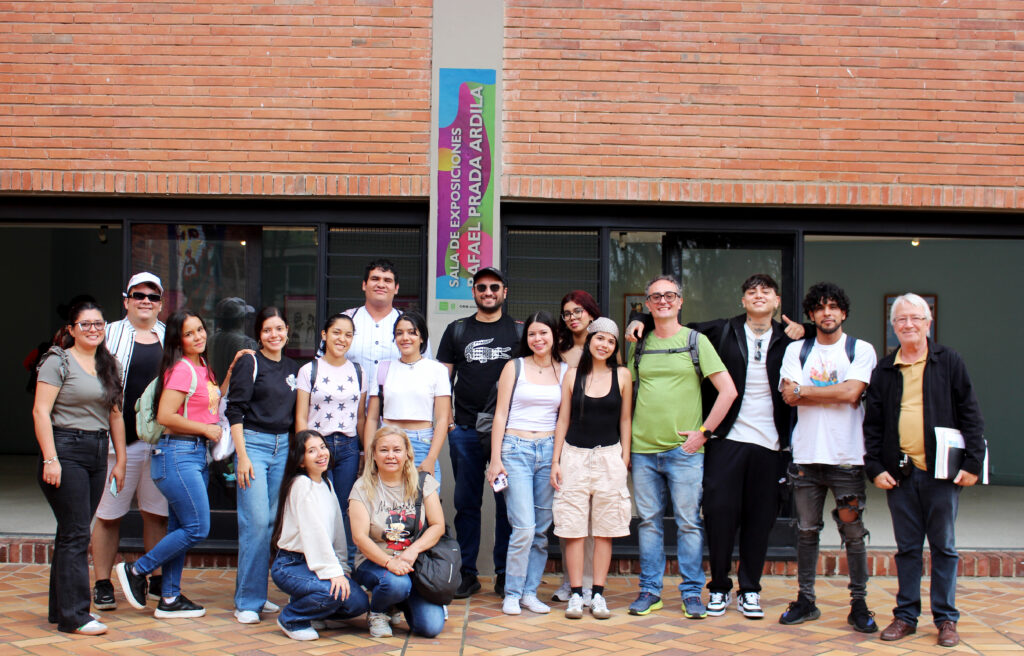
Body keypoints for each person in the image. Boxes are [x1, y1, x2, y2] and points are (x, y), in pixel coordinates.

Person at [627, 274, 807, 619]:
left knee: (754, 520)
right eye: (751, 291)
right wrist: (639, 319)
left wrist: (807, 328)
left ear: (778, 300)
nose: (758, 296)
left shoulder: (791, 337)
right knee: (713, 517)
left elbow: (826, 335)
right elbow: (666, 324)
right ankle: (714, 587)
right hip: (718, 441)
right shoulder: (720, 331)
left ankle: (744, 590)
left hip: (768, 443)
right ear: (742, 300)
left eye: (765, 291)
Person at [864, 294, 985, 648]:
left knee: (944, 548)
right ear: (893, 326)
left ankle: (946, 619)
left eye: (915, 318)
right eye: (900, 319)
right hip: (900, 475)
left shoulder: (949, 362)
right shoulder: (885, 370)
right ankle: (905, 616)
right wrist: (874, 468)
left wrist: (973, 462)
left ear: (928, 322)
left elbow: (971, 414)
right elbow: (872, 426)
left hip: (941, 474)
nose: (908, 325)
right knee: (907, 549)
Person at [626, 274, 737, 619]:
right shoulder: (638, 344)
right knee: (648, 522)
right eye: (656, 297)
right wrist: (625, 442)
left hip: (684, 451)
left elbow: (728, 391)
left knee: (689, 523)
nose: (663, 301)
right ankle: (650, 591)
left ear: (680, 301)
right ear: (647, 304)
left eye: (669, 295)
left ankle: (691, 593)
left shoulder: (696, 341)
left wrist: (704, 432)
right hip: (642, 450)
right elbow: (628, 392)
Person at [778, 282, 879, 633]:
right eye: (820, 308)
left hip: (847, 459)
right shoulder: (797, 350)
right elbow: (788, 397)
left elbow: (854, 392)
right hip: (806, 459)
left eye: (834, 306)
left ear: (844, 312)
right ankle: (806, 600)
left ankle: (859, 604)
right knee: (806, 531)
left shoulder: (860, 349)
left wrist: (806, 390)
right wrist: (831, 393)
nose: (827, 313)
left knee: (853, 532)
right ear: (811, 314)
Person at [115, 309, 225, 619]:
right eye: (189, 334)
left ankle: (170, 598)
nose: (198, 337)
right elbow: (166, 417)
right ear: (178, 340)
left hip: (192, 455)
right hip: (177, 455)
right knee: (198, 527)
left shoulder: (202, 366)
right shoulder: (182, 369)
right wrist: (205, 430)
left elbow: (209, 406)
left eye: (200, 330)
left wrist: (229, 374)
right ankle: (137, 570)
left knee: (180, 526)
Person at [34, 301, 127, 635]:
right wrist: (50, 458)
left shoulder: (109, 363)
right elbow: (40, 412)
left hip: (98, 450)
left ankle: (61, 610)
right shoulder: (57, 361)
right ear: (71, 329)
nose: (93, 330)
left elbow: (115, 414)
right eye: (85, 324)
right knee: (76, 534)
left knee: (70, 532)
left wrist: (121, 460)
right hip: (65, 449)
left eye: (98, 324)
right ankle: (75, 616)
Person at [437, 266, 520, 598]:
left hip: (508, 434)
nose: (488, 292)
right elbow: (443, 382)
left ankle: (505, 573)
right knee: (466, 504)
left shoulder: (519, 332)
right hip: (467, 432)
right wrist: (448, 421)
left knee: (507, 506)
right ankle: (467, 573)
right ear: (473, 292)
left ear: (504, 291)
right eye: (482, 287)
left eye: (494, 287)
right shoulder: (457, 330)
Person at [90, 273, 168, 612]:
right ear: (126, 300)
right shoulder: (106, 334)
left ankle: (156, 578)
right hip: (116, 442)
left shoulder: (171, 337)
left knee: (157, 515)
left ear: (161, 303)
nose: (145, 301)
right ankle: (103, 583)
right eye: (138, 295)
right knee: (108, 516)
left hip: (160, 441)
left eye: (152, 296)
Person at [551, 317, 632, 620]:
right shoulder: (572, 375)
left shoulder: (622, 375)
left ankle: (597, 594)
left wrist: (625, 456)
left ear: (615, 347)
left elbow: (625, 419)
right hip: (574, 456)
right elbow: (563, 420)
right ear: (590, 341)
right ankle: (575, 594)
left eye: (611, 341)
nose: (604, 345)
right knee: (572, 529)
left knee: (605, 529)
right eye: (600, 339)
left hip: (609, 456)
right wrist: (556, 461)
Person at [486, 311, 566, 616]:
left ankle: (530, 593)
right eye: (532, 334)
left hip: (548, 452)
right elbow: (500, 415)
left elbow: (563, 420)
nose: (538, 339)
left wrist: (557, 459)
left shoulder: (564, 369)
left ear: (555, 336)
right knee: (523, 527)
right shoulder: (514, 366)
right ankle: (512, 592)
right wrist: (496, 459)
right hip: (515, 450)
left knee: (542, 531)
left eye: (543, 333)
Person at [226, 307, 301, 624]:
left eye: (279, 328)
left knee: (270, 523)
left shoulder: (292, 367)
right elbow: (235, 410)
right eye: (268, 330)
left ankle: (257, 592)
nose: (275, 335)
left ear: (287, 331)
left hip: (282, 446)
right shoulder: (249, 361)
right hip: (253, 446)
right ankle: (246, 601)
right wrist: (242, 456)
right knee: (255, 523)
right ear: (259, 334)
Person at [269, 429, 370, 641]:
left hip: (318, 563)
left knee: (358, 603)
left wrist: (342, 568)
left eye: (323, 447)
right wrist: (332, 572)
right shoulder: (301, 486)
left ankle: (309, 606)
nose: (321, 453)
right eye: (312, 451)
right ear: (301, 461)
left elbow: (337, 532)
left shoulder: (326, 483)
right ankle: (292, 618)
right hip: (292, 565)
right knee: (331, 592)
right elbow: (314, 533)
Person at [349, 426, 446, 639]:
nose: (391, 456)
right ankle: (378, 612)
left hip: (414, 564)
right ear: (374, 454)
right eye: (384, 450)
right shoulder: (362, 487)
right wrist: (389, 562)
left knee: (430, 627)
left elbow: (438, 525)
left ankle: (394, 603)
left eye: (397, 450)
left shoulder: (423, 483)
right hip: (374, 561)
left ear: (407, 454)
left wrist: (413, 551)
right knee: (395, 583)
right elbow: (359, 537)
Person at [296, 313, 367, 570]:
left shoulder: (358, 371)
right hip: (319, 447)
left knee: (346, 508)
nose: (342, 339)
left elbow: (361, 417)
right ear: (324, 335)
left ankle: (345, 566)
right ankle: (320, 564)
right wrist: (305, 452)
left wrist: (363, 453)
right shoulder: (309, 370)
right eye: (337, 332)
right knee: (320, 507)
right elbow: (301, 416)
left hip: (348, 448)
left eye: (348, 334)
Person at [550, 290, 602, 606]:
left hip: (599, 442)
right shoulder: (559, 352)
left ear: (591, 313)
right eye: (567, 313)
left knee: (596, 519)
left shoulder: (605, 347)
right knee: (570, 515)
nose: (572, 317)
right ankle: (571, 583)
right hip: (566, 440)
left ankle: (589, 584)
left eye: (578, 311)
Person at [366, 311, 451, 481]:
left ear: (421, 338)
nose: (405, 337)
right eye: (399, 333)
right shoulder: (383, 368)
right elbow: (372, 419)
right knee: (387, 504)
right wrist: (369, 456)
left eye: (412, 332)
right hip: (387, 442)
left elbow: (442, 419)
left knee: (423, 503)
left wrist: (431, 458)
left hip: (422, 445)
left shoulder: (437, 370)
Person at [343, 258, 432, 400]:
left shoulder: (411, 325)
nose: (381, 284)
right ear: (364, 285)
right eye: (375, 279)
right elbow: (325, 364)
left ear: (396, 288)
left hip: (398, 412)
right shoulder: (345, 321)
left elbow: (427, 370)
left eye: (387, 280)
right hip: (348, 411)